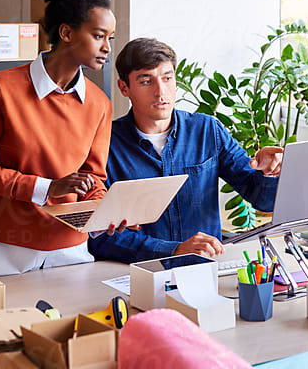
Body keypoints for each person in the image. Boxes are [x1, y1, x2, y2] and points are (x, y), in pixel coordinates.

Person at [0, 0, 126, 276]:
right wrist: (49, 187)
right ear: (66, 33)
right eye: (99, 35)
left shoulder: (100, 103)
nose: (107, 48)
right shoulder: (0, 88)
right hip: (6, 249)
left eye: (110, 38)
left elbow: (93, 179)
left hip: (72, 250)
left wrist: (104, 211)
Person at [88, 38, 283, 264]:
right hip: (137, 275)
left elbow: (263, 200)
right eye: (146, 81)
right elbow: (99, 236)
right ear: (124, 88)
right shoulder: (105, 143)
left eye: (167, 78)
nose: (160, 92)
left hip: (204, 271)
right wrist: (172, 249)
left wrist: (269, 171)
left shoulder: (208, 130)